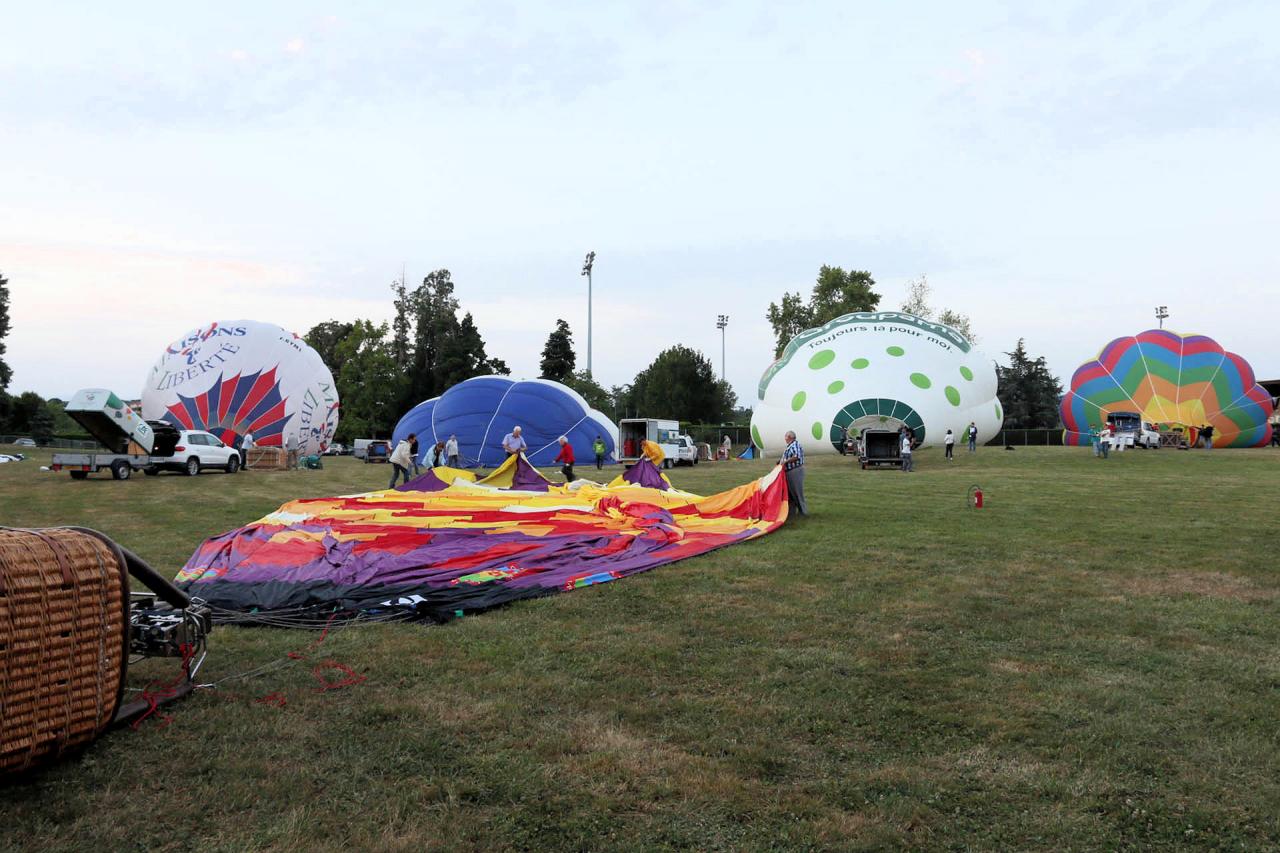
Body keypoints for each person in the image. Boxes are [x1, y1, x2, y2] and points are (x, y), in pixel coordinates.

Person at [779, 430, 807, 516]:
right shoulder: (790, 446)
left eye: (786, 437)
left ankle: (803, 512)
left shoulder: (795, 445)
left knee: (797, 492)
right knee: (790, 494)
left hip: (795, 471)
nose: (785, 439)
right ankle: (791, 513)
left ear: (790, 437)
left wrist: (785, 462)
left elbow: (796, 456)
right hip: (789, 472)